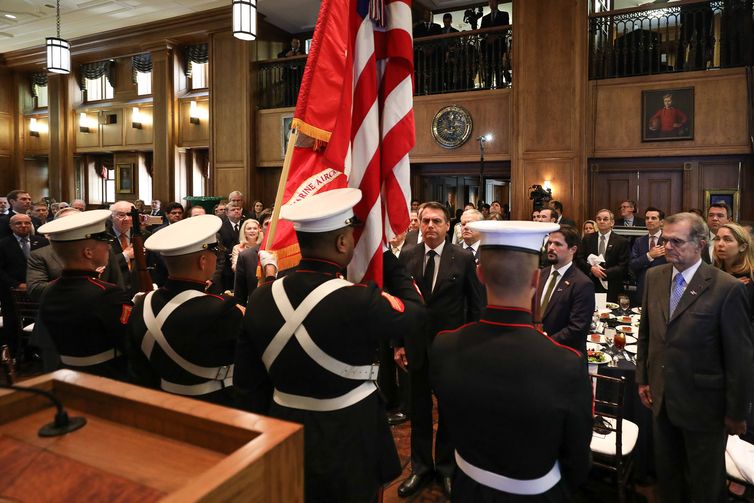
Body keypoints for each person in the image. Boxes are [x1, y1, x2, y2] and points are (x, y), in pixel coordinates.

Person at [233, 188, 424, 503]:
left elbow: (248, 385)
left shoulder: (261, 298)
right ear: (342, 242)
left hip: (283, 428)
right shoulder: (359, 299)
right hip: (349, 432)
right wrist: (387, 257)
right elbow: (415, 313)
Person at [431, 220, 593, 501]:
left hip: (466, 487)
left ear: (479, 274)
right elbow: (577, 456)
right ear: (536, 279)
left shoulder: (445, 344)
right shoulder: (566, 362)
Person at [636, 212, 753, 503]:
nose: (668, 247)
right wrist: (643, 379)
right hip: (662, 399)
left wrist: (737, 412)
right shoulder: (654, 276)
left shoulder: (727, 288)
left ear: (700, 244)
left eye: (676, 241)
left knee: (704, 482)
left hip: (704, 406)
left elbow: (739, 357)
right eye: (665, 241)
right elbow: (647, 334)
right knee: (669, 476)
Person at [396, 201, 484, 498]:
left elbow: (476, 306)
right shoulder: (407, 257)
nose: (430, 226)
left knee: (448, 412)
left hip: (452, 349)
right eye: (425, 221)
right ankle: (421, 468)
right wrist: (398, 344)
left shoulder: (462, 258)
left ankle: (446, 468)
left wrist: (472, 345)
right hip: (416, 347)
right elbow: (398, 305)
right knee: (419, 411)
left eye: (437, 221)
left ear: (449, 226)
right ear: (418, 224)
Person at [127, 215, 246, 406]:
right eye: (214, 252)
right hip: (215, 406)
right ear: (202, 261)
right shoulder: (222, 309)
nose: (217, 257)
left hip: (161, 403)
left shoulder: (142, 304)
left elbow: (138, 365)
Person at [37, 210, 132, 379]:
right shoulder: (106, 293)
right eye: (103, 241)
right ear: (88, 252)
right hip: (104, 376)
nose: (109, 246)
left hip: (65, 372)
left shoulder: (49, 290)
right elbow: (128, 340)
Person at [537, 225, 595, 353]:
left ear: (572, 249)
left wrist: (545, 343)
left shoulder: (583, 284)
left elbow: (577, 328)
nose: (551, 248)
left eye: (558, 244)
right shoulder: (541, 274)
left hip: (563, 355)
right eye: (550, 243)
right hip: (536, 352)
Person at [0, 214, 48, 354]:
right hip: (11, 290)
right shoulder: (3, 244)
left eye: (27, 223)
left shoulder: (42, 242)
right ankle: (15, 353)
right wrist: (17, 284)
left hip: (37, 288)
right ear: (11, 226)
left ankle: (37, 350)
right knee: (12, 321)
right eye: (18, 223)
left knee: (39, 319)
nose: (23, 226)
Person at [577, 209, 629, 303]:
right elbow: (579, 259)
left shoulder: (621, 241)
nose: (601, 221)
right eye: (599, 219)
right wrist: (591, 269)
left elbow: (623, 265)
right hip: (590, 283)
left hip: (612, 285)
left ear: (612, 222)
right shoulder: (587, 239)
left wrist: (603, 273)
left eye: (605, 219)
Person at [629, 207, 666, 304]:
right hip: (642, 288)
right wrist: (649, 255)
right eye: (647, 218)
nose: (649, 221)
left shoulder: (668, 241)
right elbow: (632, 264)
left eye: (653, 218)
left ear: (661, 222)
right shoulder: (639, 241)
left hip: (663, 288)